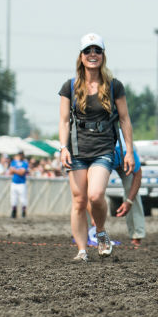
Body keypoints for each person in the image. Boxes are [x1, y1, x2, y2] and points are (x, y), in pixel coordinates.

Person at [58, 33, 135, 262]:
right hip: (77, 149)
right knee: (79, 200)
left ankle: (100, 232)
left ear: (103, 55)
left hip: (103, 148)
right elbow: (63, 121)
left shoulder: (114, 86)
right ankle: (82, 250)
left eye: (97, 50)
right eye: (88, 51)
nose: (93, 55)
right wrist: (62, 147)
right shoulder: (69, 86)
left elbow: (125, 119)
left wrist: (129, 150)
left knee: (95, 194)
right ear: (81, 56)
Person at [113, 138, 145, 246]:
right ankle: (88, 232)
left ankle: (137, 235)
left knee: (131, 188)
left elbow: (138, 175)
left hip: (123, 153)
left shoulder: (127, 151)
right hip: (100, 152)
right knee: (91, 193)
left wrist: (129, 201)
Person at [9, 151, 28, 218]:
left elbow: (22, 172)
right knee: (13, 198)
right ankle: (14, 212)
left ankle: (23, 212)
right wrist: (17, 170)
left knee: (23, 199)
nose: (20, 156)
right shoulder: (13, 162)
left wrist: (15, 170)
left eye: (21, 154)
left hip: (21, 183)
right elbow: (10, 171)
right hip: (14, 182)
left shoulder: (25, 163)